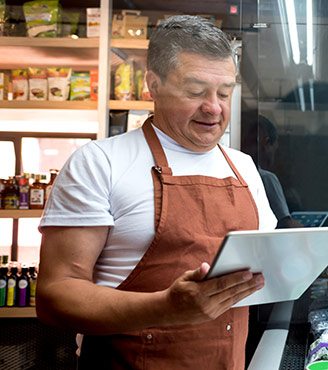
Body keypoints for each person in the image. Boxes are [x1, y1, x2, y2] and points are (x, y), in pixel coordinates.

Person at [36, 15, 277, 370]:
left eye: (225, 92)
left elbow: (264, 268)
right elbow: (55, 296)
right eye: (195, 91)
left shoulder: (243, 168)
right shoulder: (100, 162)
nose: (214, 107)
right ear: (153, 84)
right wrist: (166, 307)